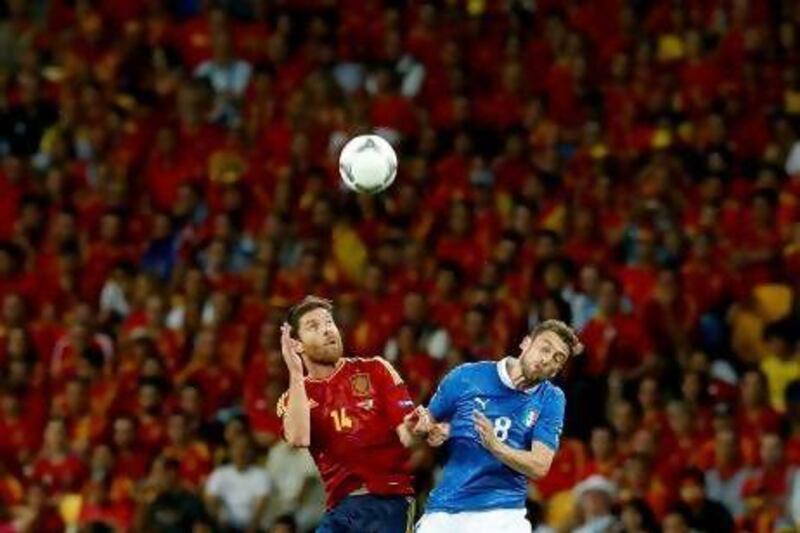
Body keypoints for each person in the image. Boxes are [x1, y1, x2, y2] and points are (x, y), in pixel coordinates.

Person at [409, 319, 582, 533]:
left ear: (557, 370)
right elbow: (424, 427)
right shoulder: (467, 376)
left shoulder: (551, 398)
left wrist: (495, 446)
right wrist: (424, 429)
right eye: (544, 348)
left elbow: (539, 466)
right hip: (446, 510)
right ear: (525, 344)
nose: (547, 359)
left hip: (503, 514)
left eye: (558, 358)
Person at [276, 295, 422, 533]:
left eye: (329, 322)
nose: (327, 330)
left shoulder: (375, 369)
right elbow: (298, 437)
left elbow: (407, 435)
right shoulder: (292, 397)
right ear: (297, 345)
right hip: (339, 510)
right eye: (314, 326)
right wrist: (294, 372)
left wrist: (418, 428)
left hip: (388, 501)